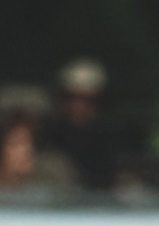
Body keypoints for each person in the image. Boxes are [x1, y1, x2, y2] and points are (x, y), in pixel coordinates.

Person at [38, 58, 121, 192]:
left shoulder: (108, 143)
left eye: (87, 99)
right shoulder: (43, 138)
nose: (78, 106)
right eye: (70, 97)